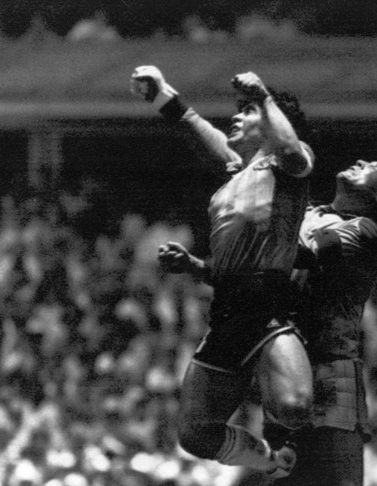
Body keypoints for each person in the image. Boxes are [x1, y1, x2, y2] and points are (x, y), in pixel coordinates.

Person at [161, 155, 377, 485]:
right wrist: (197, 267)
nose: (362, 161)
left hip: (331, 378)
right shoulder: (308, 214)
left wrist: (247, 222)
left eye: (376, 170)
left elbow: (289, 254)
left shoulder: (366, 231)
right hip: (285, 371)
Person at [130, 65, 315, 478]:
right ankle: (271, 460)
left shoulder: (289, 164)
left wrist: (264, 98)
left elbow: (288, 149)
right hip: (227, 314)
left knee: (294, 408)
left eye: (246, 111)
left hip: (269, 311)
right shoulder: (237, 175)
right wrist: (163, 95)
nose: (236, 116)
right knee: (194, 435)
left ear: (269, 123)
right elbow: (198, 130)